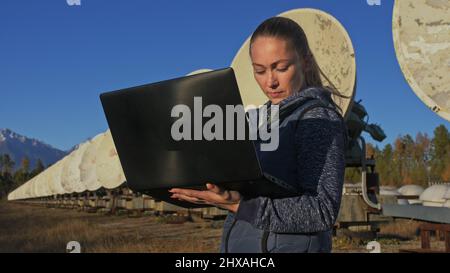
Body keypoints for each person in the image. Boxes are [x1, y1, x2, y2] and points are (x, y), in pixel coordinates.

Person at [169, 16, 348, 253]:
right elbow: (252, 196)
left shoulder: (317, 120)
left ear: (305, 62)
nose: (270, 82)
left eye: (281, 68)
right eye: (260, 71)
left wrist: (241, 205)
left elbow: (321, 210)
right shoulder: (259, 121)